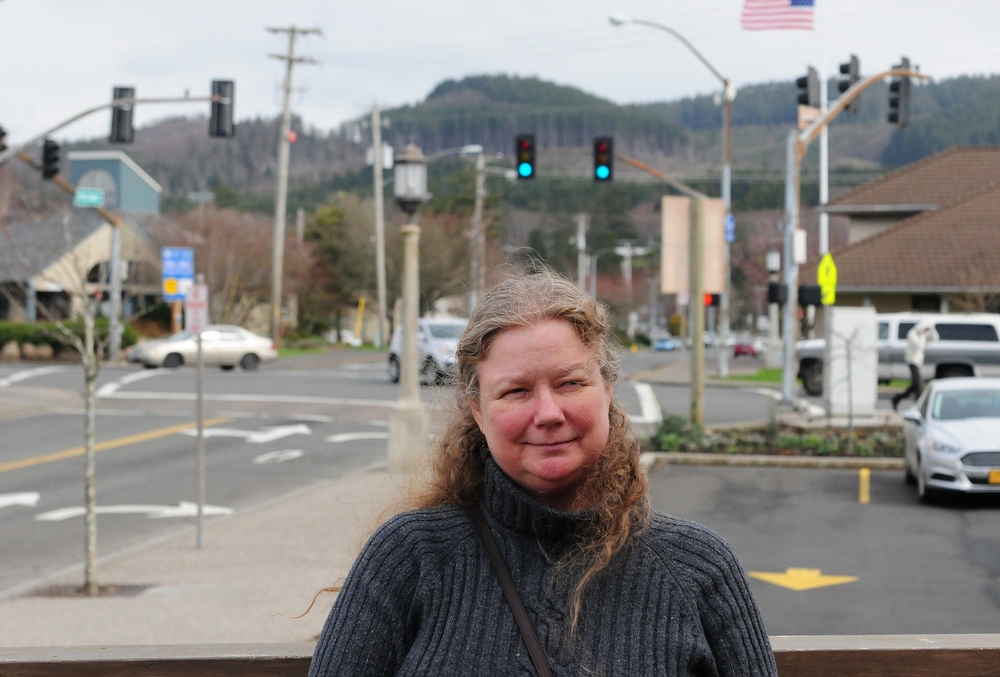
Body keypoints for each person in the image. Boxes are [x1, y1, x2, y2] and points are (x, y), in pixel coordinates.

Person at [308, 271, 777, 677]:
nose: (548, 412)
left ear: (607, 388)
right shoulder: (410, 558)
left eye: (570, 383)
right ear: (477, 409)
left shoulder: (697, 570)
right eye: (515, 392)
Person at [892, 320, 939, 411]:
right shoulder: (912, 334)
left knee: (915, 386)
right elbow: (919, 346)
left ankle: (896, 399)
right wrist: (922, 335)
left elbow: (935, 338)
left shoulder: (923, 335)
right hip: (912, 361)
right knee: (919, 387)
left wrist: (932, 329)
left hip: (918, 362)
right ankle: (918, 407)